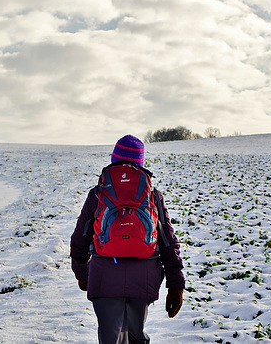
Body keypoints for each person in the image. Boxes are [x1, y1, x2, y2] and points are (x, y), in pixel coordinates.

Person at [70, 135, 185, 343]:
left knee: (110, 337)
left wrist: (82, 273)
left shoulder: (98, 194)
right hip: (144, 275)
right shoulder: (153, 195)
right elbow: (168, 241)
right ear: (140, 163)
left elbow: (80, 237)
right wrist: (176, 285)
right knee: (135, 334)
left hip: (104, 275)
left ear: (114, 159)